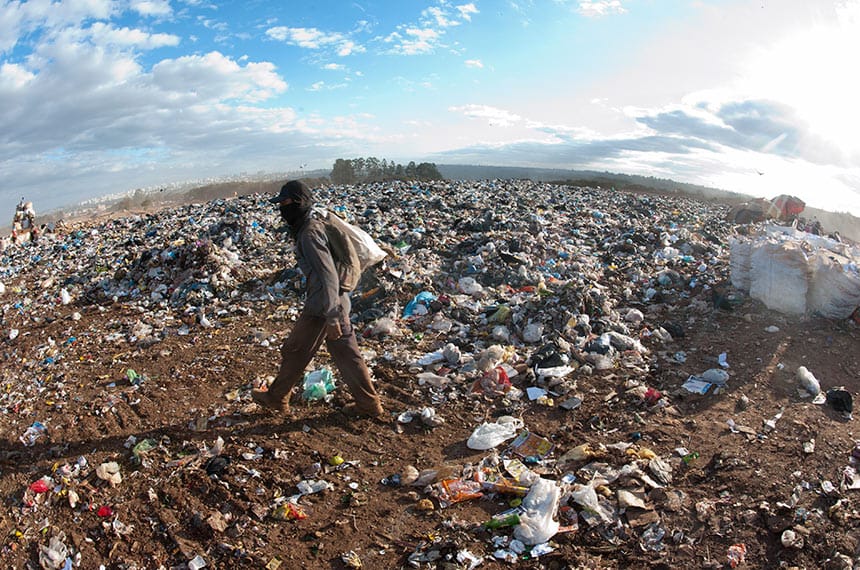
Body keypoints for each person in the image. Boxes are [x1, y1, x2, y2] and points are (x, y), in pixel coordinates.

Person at [251, 180, 386, 420]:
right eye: (280, 203)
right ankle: (277, 397)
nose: (282, 208)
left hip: (328, 304)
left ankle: (369, 404)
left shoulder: (310, 232)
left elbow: (328, 276)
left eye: (285, 202)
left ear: (299, 203)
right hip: (321, 302)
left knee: (346, 353)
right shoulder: (308, 227)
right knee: (297, 349)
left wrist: (333, 315)